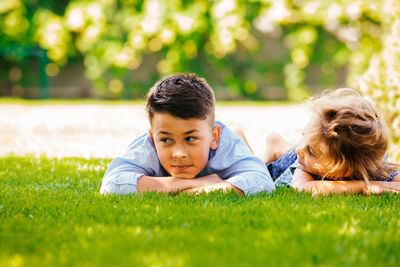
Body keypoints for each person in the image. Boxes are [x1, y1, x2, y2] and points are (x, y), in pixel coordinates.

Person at [100, 73, 275, 195]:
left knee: (251, 155)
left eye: (190, 138)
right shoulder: (147, 147)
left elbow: (261, 182)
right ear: (153, 139)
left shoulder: (225, 145)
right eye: (166, 139)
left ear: (214, 137)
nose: (179, 154)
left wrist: (191, 193)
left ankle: (242, 134)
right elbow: (111, 185)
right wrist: (200, 184)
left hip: (231, 148)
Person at [262, 88, 400, 195]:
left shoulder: (373, 169)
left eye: (311, 151)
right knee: (271, 156)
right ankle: (274, 143)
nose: (300, 149)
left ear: (343, 169)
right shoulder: (303, 163)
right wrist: (368, 185)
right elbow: (301, 187)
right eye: (304, 136)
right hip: (287, 161)